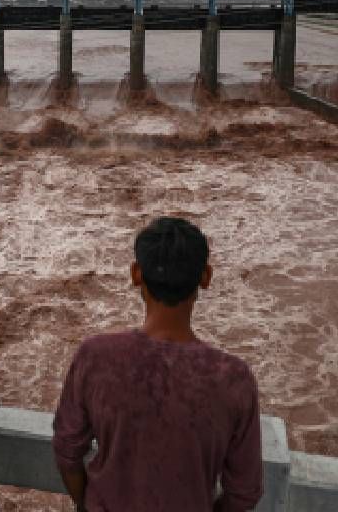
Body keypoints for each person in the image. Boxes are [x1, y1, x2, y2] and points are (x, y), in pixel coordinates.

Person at [53, 217, 263, 512]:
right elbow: (244, 493)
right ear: (205, 277)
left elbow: (67, 452)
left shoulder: (95, 356)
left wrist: (86, 504)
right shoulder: (233, 378)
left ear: (136, 274)